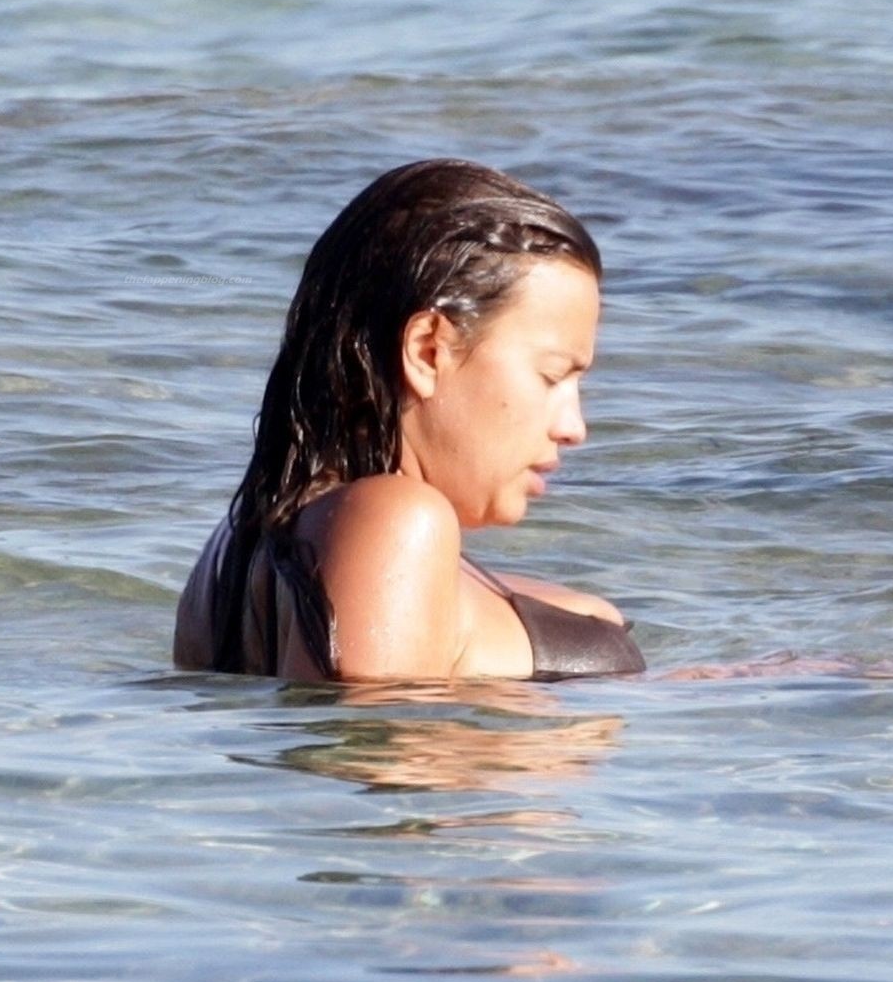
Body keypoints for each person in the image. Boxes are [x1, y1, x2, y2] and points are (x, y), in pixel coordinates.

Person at [173, 159, 645, 684]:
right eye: (551, 376)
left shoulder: (241, 542)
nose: (574, 427)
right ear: (427, 351)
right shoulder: (396, 522)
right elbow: (381, 731)